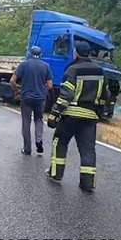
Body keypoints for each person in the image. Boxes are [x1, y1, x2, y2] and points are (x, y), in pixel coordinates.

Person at [46, 40, 110, 192]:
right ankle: (87, 183)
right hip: (90, 117)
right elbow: (105, 95)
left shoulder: (73, 70)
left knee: (60, 142)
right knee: (88, 149)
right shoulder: (100, 71)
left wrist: (55, 114)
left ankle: (56, 174)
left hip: (71, 116)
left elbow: (66, 96)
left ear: (76, 53)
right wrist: (98, 113)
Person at [10, 46, 53, 156]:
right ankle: (38, 140)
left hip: (26, 98)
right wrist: (42, 91)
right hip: (40, 99)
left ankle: (27, 148)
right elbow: (50, 85)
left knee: (26, 122)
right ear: (40, 54)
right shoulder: (46, 66)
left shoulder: (24, 64)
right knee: (39, 119)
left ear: (30, 53)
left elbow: (12, 81)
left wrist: (18, 90)